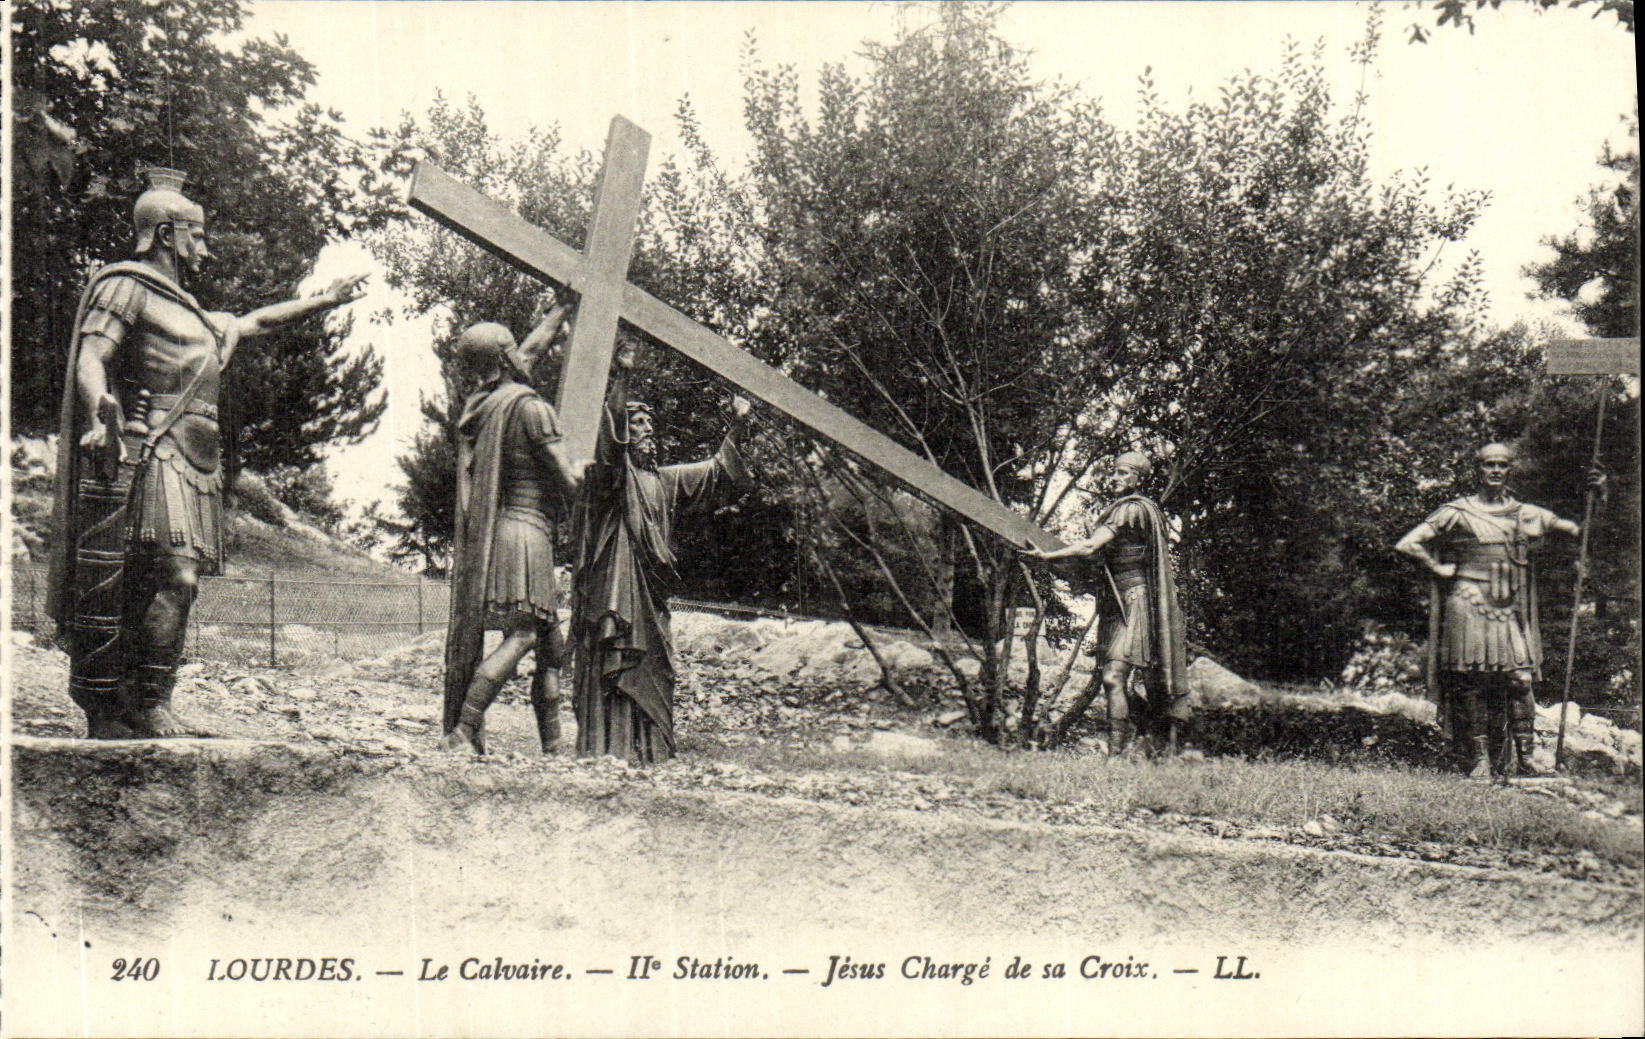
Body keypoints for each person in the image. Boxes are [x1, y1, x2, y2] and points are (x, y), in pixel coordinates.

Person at [48, 168, 366, 739]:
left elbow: (255, 322)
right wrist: (102, 411)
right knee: (176, 577)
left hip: (198, 463)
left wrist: (326, 301)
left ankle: (144, 702)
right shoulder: (128, 286)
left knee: (159, 583)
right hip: (155, 451)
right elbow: (91, 357)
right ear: (167, 234)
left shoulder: (194, 313)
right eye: (196, 234)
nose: (205, 247)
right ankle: (141, 702)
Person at [571, 339, 753, 764]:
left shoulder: (664, 482)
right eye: (638, 425)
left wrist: (738, 426)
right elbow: (609, 443)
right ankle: (610, 749)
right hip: (619, 590)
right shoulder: (613, 480)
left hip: (651, 597)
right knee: (619, 658)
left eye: (649, 426)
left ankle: (650, 751)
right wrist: (624, 376)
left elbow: (715, 474)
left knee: (658, 666)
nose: (648, 431)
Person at [440, 294, 587, 755]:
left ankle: (555, 749)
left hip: (501, 532)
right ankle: (463, 729)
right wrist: (598, 474)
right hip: (527, 534)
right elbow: (568, 480)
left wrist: (560, 313)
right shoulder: (532, 408)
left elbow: (530, 351)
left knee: (550, 648)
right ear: (506, 358)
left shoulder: (481, 407)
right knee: (524, 634)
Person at [1395, 442, 1591, 778]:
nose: (1496, 470)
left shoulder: (1524, 513)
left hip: (1508, 606)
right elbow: (1408, 543)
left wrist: (1595, 497)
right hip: (1467, 599)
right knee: (1471, 681)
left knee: (1520, 679)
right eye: (1489, 464)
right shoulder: (1456, 511)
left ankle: (1526, 759)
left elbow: (1575, 530)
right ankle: (1480, 760)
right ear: (1478, 469)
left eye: (1502, 464)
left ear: (1509, 470)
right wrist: (1437, 567)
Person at [1023, 451, 1189, 756]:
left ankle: (1117, 756)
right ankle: (1137, 746)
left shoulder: (1132, 510)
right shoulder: (1131, 510)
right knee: (1112, 679)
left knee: (1114, 677)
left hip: (1134, 603)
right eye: (1115, 472)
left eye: (1124, 473)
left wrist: (1048, 556)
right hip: (1117, 603)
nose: (1116, 478)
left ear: (1140, 479)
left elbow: (1090, 546)